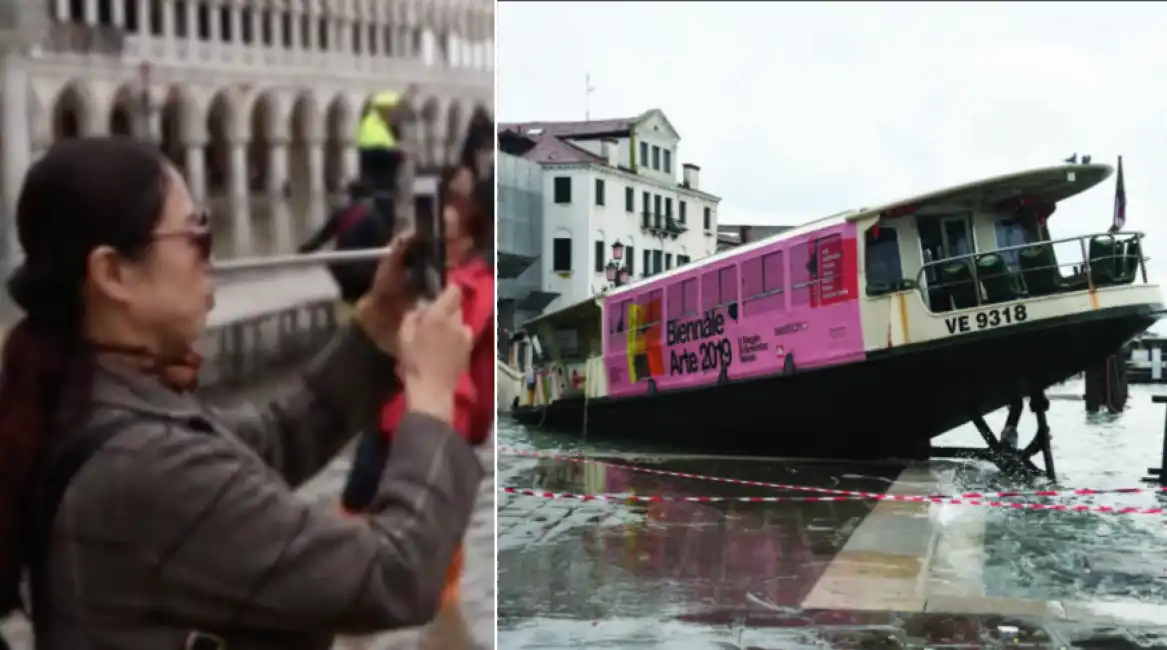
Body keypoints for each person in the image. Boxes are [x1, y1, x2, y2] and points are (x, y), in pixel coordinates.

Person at [0, 137, 481, 650]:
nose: (211, 257)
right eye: (196, 235)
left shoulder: (89, 397)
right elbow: (394, 574)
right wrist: (431, 402)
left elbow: (274, 436)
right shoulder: (144, 464)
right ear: (113, 274)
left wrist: (375, 333)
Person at [298, 179, 392, 306]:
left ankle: (351, 317)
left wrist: (302, 251)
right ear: (370, 196)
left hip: (342, 271)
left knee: (349, 301)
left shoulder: (340, 214)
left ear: (351, 196)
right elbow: (384, 245)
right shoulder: (375, 217)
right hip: (367, 274)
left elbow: (319, 240)